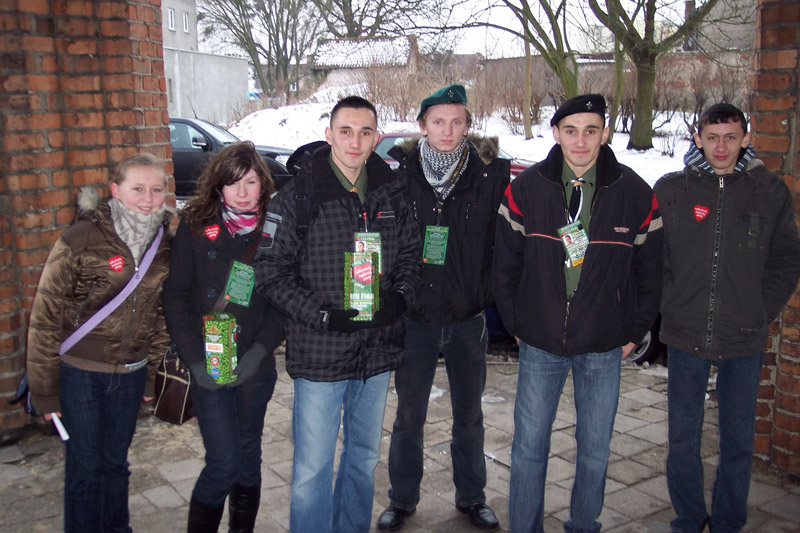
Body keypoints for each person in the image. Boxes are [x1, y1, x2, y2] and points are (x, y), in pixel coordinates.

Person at [491, 94, 663, 533]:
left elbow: (652, 273)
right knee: (528, 447)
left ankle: (584, 525)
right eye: (571, 131)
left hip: (604, 345)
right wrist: (518, 323)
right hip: (541, 342)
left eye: (591, 131)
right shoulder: (525, 189)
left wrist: (634, 330)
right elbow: (504, 266)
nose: (581, 141)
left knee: (595, 451)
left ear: (605, 134)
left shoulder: (636, 194)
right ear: (556, 133)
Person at [253, 96, 421, 533]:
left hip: (376, 351)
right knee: (312, 467)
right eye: (346, 131)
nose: (355, 142)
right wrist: (323, 315)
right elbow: (269, 272)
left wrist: (399, 298)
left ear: (376, 138)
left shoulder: (392, 191)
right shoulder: (298, 197)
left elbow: (411, 255)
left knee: (363, 458)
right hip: (320, 352)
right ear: (329, 135)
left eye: (365, 133)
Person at [655, 103, 800, 533]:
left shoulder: (769, 192)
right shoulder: (672, 190)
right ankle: (688, 518)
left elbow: (786, 260)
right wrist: (669, 303)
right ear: (697, 138)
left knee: (738, 440)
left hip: (743, 335)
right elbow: (654, 259)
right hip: (685, 333)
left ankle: (728, 521)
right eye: (713, 137)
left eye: (731, 138)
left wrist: (760, 310)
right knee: (683, 438)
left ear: (746, 138)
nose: (721, 147)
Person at [376, 84, 509, 532]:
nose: (447, 131)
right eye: (438, 122)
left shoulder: (490, 176)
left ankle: (472, 497)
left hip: (467, 317)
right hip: (414, 318)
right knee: (408, 416)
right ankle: (402, 499)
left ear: (468, 125)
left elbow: (506, 242)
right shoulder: (400, 175)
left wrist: (488, 291)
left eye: (456, 122)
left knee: (469, 416)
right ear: (422, 126)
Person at [26, 153, 173, 533]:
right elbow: (45, 317)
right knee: (85, 468)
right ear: (115, 191)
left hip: (130, 375)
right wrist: (45, 392)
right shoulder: (80, 238)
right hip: (80, 375)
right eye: (137, 188)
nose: (148, 198)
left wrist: (153, 377)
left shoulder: (166, 245)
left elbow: (161, 319)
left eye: (157, 189)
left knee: (116, 465)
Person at [162, 142, 285, 533]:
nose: (242, 193)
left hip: (254, 367)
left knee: (247, 460)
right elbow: (175, 295)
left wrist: (260, 352)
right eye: (233, 183)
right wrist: (195, 361)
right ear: (219, 186)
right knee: (224, 463)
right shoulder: (196, 224)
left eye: (250, 182)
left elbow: (282, 301)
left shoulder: (277, 229)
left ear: (263, 183)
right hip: (209, 363)